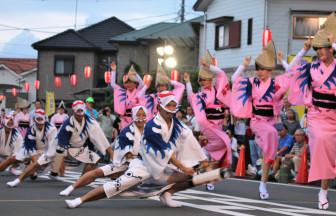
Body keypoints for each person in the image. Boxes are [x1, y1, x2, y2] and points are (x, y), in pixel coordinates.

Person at [64, 91, 208, 209]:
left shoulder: (174, 122)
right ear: (160, 107)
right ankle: (79, 199)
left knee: (193, 175)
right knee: (112, 184)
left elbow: (188, 136)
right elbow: (163, 151)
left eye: (173, 105)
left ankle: (167, 193)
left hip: (162, 163)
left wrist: (202, 159)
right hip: (138, 163)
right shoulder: (149, 127)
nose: (140, 118)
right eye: (168, 105)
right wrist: (183, 166)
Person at [285, 13, 336, 209]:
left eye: (322, 48)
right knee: (323, 143)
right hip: (317, 116)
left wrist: (331, 41)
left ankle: (325, 188)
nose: (319, 52)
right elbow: (290, 69)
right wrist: (304, 49)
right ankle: (323, 191)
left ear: (330, 48)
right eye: (316, 49)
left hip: (335, 116)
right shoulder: (311, 67)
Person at [230, 41, 289, 200]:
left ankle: (263, 183)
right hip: (257, 121)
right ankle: (262, 144)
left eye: (262, 69)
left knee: (269, 147)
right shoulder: (251, 82)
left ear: (269, 70)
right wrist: (243, 65)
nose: (259, 72)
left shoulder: (276, 83)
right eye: (257, 69)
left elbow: (291, 74)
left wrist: (282, 61)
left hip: (270, 121)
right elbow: (234, 78)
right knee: (270, 134)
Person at [59, 105, 147, 196]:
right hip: (125, 162)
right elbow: (127, 154)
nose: (141, 118)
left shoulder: (149, 130)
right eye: (138, 115)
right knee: (96, 173)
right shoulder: (127, 131)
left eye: (143, 115)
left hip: (145, 164)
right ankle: (71, 188)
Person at [184, 50, 231, 191]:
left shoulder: (218, 92)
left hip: (219, 127)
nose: (204, 82)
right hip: (208, 126)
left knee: (220, 151)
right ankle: (202, 155)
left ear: (211, 79)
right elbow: (191, 98)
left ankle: (206, 171)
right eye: (201, 80)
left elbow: (222, 74)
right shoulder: (199, 96)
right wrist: (187, 82)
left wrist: (209, 67)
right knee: (225, 142)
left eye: (206, 79)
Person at [52, 100, 113, 175]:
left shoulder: (91, 122)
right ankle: (55, 171)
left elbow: (101, 137)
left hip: (81, 148)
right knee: (58, 160)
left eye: (82, 111)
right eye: (78, 112)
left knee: (94, 158)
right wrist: (58, 163)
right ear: (74, 111)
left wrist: (111, 153)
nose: (80, 115)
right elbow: (61, 145)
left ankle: (82, 178)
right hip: (66, 147)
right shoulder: (67, 124)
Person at [6, 109, 58, 187]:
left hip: (48, 151)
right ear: (34, 119)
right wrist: (34, 159)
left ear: (44, 119)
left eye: (41, 119)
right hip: (32, 149)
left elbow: (52, 148)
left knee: (36, 165)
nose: (40, 121)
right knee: (12, 159)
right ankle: (27, 167)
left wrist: (42, 159)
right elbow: (30, 147)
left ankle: (17, 181)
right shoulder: (31, 129)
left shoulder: (52, 129)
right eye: (38, 119)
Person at [111, 63, 148, 129]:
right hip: (125, 120)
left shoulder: (138, 91)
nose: (128, 84)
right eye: (126, 83)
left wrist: (135, 74)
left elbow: (142, 84)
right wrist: (113, 71)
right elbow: (113, 84)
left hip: (137, 119)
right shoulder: (122, 93)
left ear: (136, 84)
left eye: (131, 82)